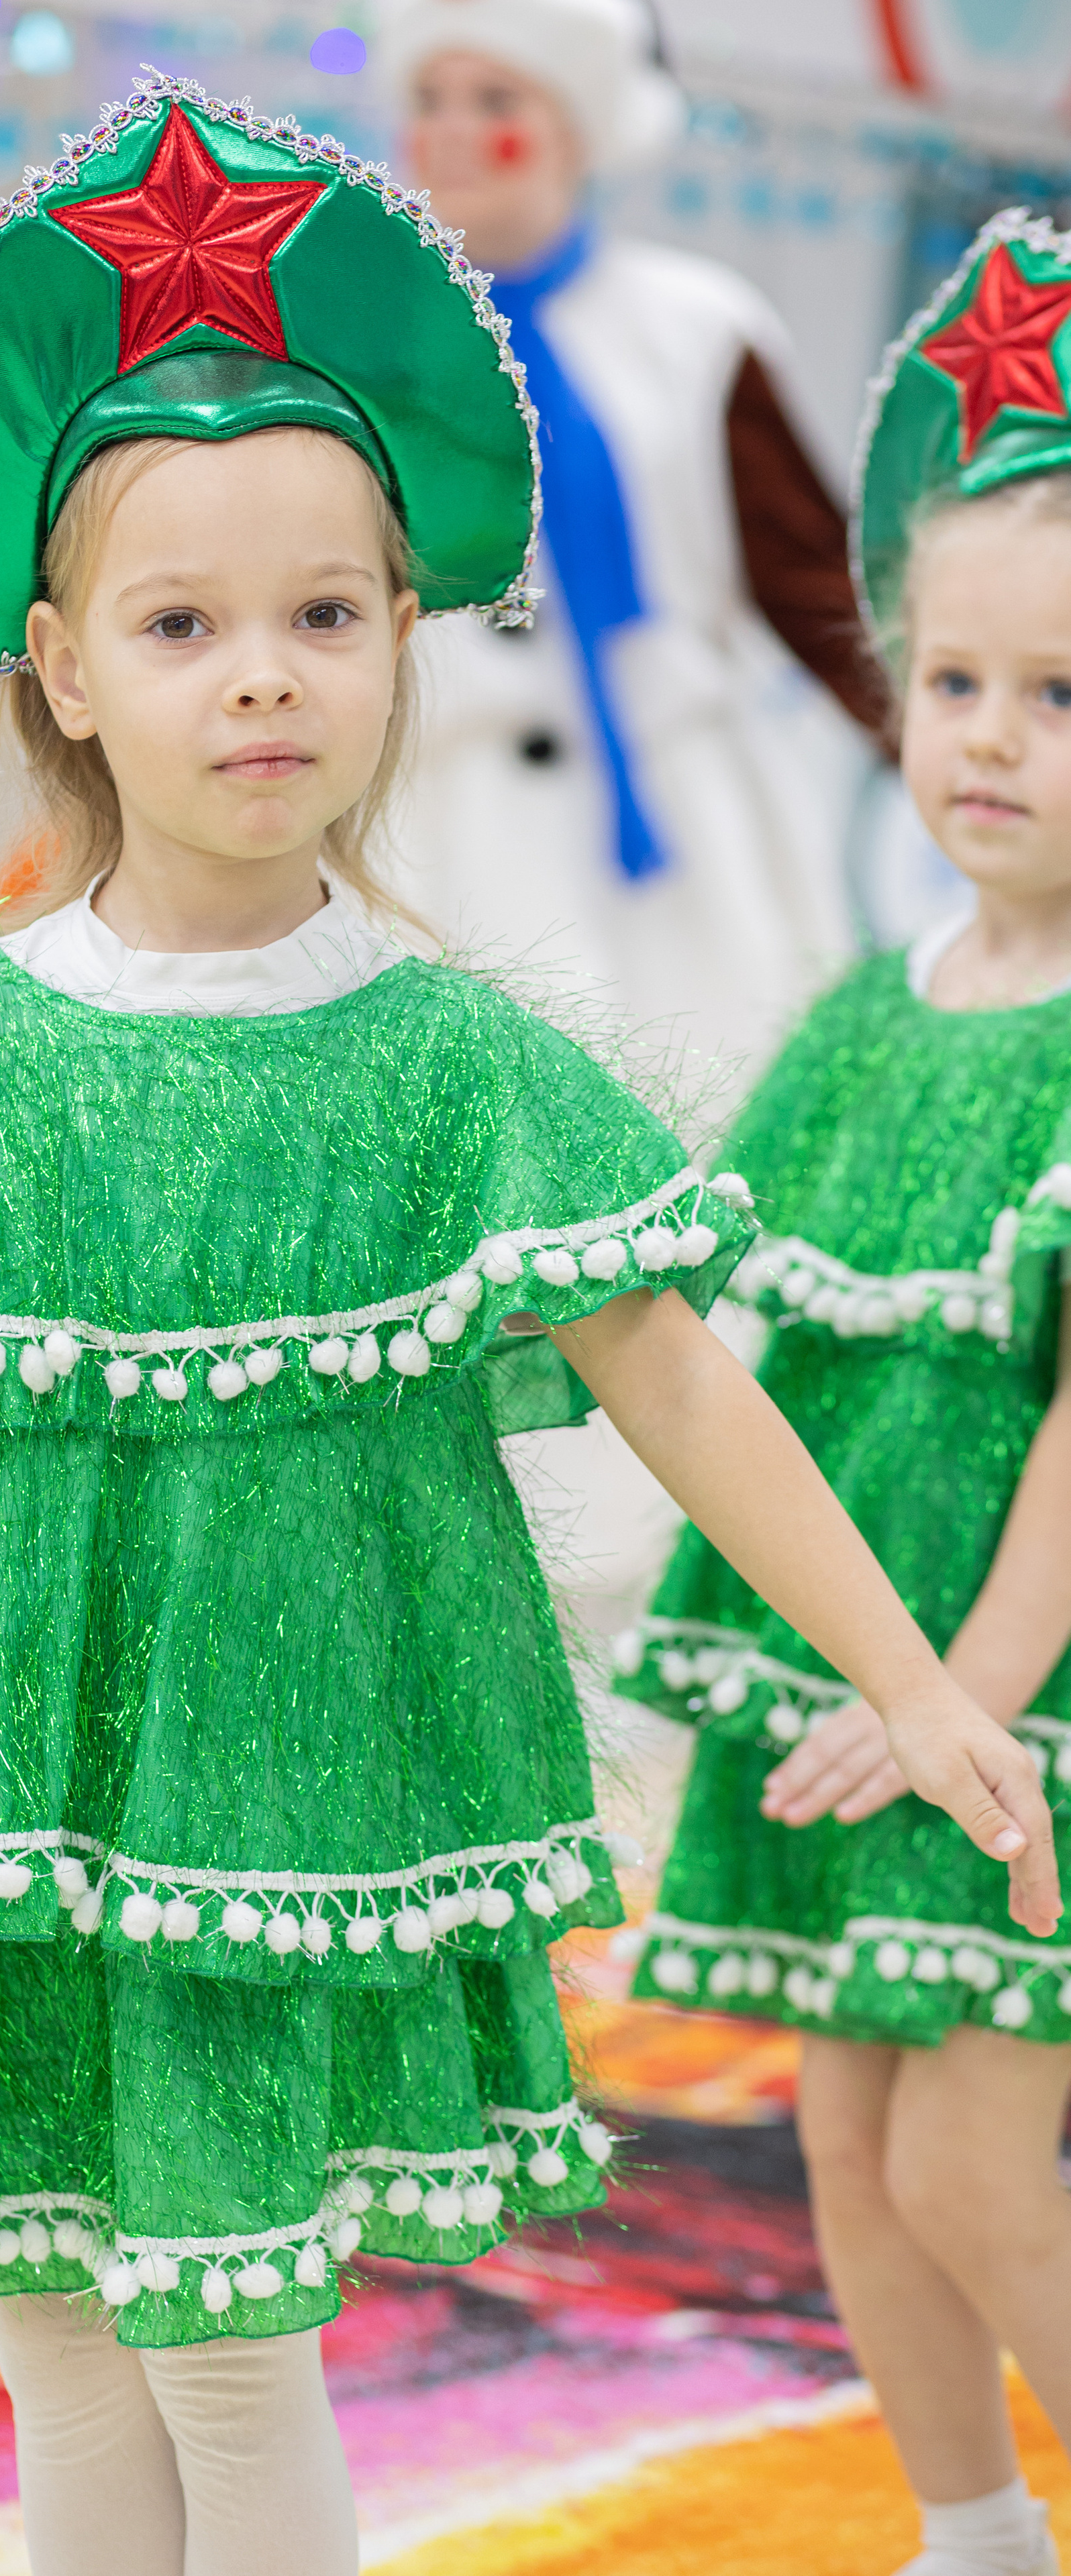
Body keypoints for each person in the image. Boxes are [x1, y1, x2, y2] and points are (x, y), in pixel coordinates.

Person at [0, 90, 1057, 2576]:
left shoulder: (455, 1067)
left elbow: (680, 1380)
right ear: (60, 666)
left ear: (403, 637)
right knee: (57, 2332)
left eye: (325, 618)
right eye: (182, 627)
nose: (264, 680)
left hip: (272, 1787)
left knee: (228, 2350)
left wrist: (913, 1679)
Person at [618, 211, 1071, 2576]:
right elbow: (707, 1332)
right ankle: (970, 2531)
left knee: (975, 2161)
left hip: (1020, 1695)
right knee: (849, 2142)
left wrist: (964, 1699)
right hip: (860, 1676)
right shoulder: (862, 1014)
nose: (987, 737)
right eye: (955, 678)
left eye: (1065, 697)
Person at [376, 0, 892, 1079]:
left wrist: (954, 737)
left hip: (681, 831)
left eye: (495, 100)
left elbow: (813, 584)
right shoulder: (361, 351)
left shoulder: (696, 328)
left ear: (575, 127)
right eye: (430, 99)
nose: (454, 130)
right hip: (444, 831)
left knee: (708, 1099)